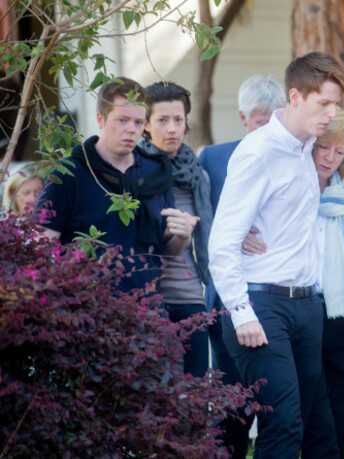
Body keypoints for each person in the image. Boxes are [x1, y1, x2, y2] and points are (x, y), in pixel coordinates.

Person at [207, 52, 344, 459]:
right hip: (262, 304)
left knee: (318, 429)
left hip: (307, 305)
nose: (330, 113)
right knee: (283, 424)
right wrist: (241, 310)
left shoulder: (308, 149)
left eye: (336, 104)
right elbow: (222, 241)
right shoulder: (259, 152)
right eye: (323, 103)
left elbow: (341, 156)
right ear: (295, 97)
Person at [242, 108, 344, 458]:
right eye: (325, 147)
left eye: (340, 151)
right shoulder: (292, 189)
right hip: (300, 310)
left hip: (342, 317)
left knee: (334, 422)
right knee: (295, 418)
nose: (330, 157)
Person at [36, 77, 194, 295]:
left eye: (138, 122)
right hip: (86, 308)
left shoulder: (156, 172)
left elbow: (163, 252)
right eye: (122, 120)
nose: (131, 129)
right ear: (101, 120)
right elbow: (41, 246)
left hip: (148, 309)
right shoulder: (69, 173)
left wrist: (182, 236)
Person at [198, 74, 287, 458]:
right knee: (234, 403)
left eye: (272, 122)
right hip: (229, 301)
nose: (265, 131)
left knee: (277, 404)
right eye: (258, 122)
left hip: (279, 300)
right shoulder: (214, 158)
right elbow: (199, 217)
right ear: (242, 117)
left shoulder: (295, 156)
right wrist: (230, 229)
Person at [138, 81, 211, 377]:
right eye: (162, 120)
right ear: (146, 125)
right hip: (151, 296)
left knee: (193, 395)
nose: (172, 129)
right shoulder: (134, 172)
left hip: (192, 296)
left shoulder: (199, 176)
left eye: (178, 120)